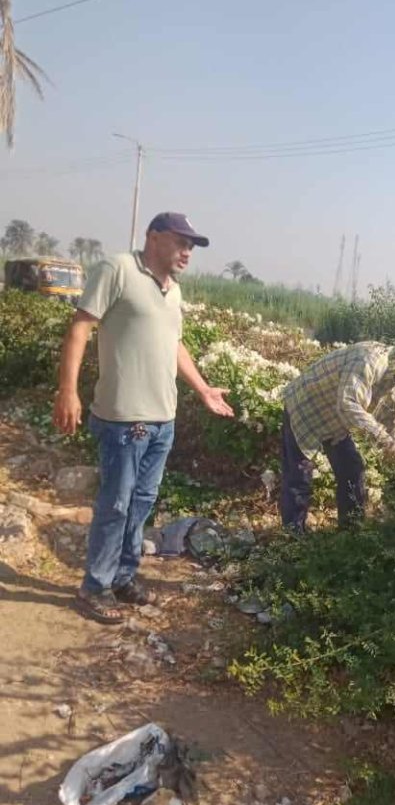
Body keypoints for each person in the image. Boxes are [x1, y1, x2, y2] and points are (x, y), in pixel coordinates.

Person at [52, 212, 234, 625]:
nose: (187, 252)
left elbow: (174, 345)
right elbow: (80, 328)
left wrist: (203, 389)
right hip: (122, 418)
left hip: (162, 420)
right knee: (115, 505)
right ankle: (94, 587)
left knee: (141, 504)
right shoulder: (117, 269)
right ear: (154, 237)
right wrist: (68, 390)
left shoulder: (173, 290)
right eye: (181, 242)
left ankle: (123, 577)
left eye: (192, 246)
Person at [281, 333, 395, 531]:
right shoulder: (369, 359)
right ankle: (293, 535)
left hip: (335, 420)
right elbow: (348, 404)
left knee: (352, 469)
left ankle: (351, 531)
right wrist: (383, 438)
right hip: (306, 408)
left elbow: (393, 416)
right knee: (300, 477)